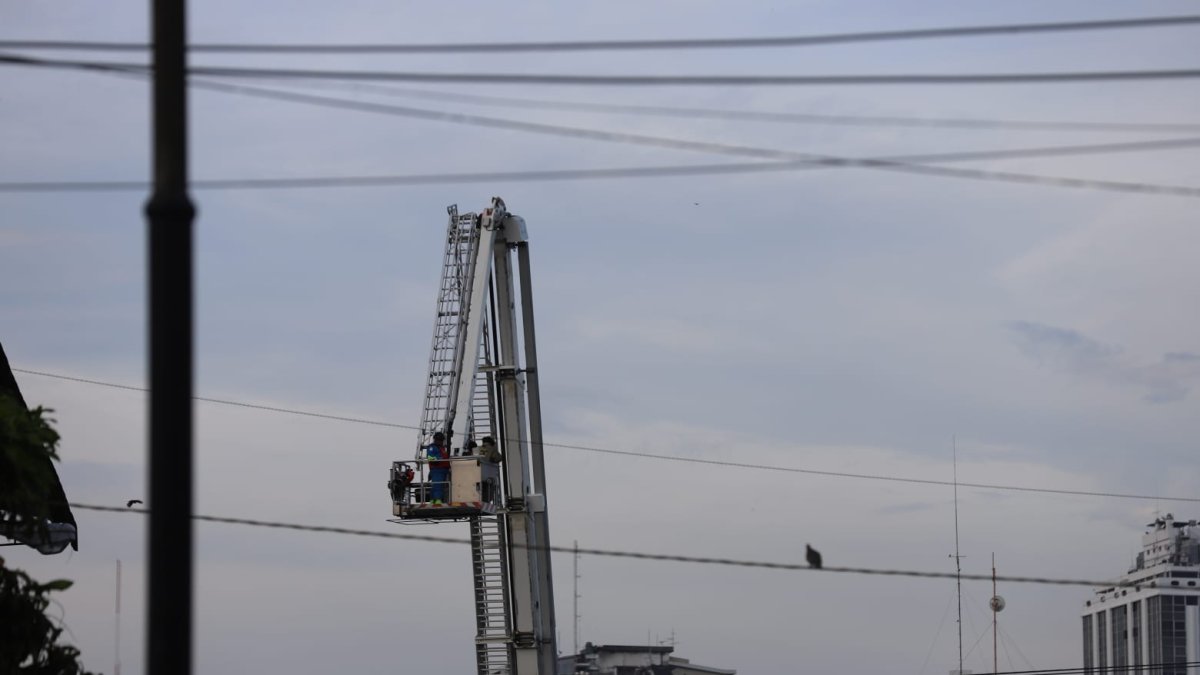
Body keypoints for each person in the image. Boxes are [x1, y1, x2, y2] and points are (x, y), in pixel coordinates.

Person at [425, 432, 450, 505]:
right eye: (439, 440)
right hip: (437, 470)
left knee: (439, 485)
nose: (441, 442)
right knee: (437, 485)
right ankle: (437, 500)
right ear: (435, 440)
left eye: (441, 440)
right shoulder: (432, 447)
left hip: (443, 470)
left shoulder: (442, 448)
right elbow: (430, 457)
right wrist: (438, 458)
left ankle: (434, 499)